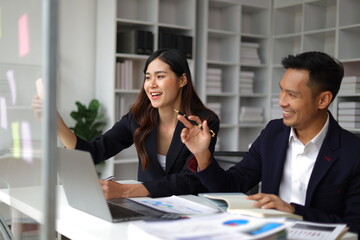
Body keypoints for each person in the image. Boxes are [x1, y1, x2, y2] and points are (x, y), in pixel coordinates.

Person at [177, 51, 360, 233]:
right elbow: (232, 186)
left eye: (292, 94)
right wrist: (202, 154)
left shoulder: (353, 153)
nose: (281, 101)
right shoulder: (273, 133)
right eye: (282, 90)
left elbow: (355, 225)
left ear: (323, 99)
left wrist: (294, 211)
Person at [32, 48, 219, 199]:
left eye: (160, 76)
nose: (151, 84)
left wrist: (125, 191)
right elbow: (95, 151)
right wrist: (59, 126)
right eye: (147, 77)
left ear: (182, 80)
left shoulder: (203, 122)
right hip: (147, 206)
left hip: (190, 209)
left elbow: (189, 180)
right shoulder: (138, 117)